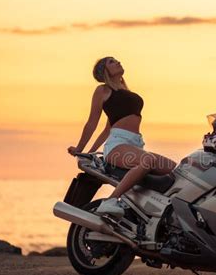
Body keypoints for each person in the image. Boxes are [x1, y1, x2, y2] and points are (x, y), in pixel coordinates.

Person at [67, 57, 177, 218]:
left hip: (136, 144)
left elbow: (107, 129)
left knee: (178, 171)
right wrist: (80, 149)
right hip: (117, 144)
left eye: (116, 60)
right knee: (148, 161)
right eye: (111, 62)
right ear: (105, 71)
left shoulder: (126, 92)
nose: (117, 62)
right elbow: (92, 122)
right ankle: (110, 201)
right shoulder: (103, 91)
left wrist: (92, 151)